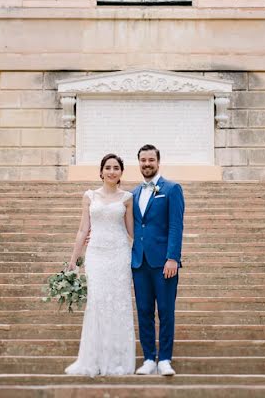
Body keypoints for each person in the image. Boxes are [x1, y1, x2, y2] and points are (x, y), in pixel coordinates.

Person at [64, 153, 136, 376]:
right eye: (108, 167)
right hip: (96, 255)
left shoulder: (127, 198)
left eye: (116, 168)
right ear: (102, 171)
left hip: (119, 254)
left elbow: (132, 231)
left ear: (121, 172)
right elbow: (83, 229)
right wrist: (74, 260)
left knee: (118, 303)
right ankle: (93, 358)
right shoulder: (89, 196)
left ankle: (117, 359)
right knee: (97, 303)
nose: (112, 171)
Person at [130, 144, 185, 376]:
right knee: (143, 311)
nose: (147, 164)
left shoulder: (172, 189)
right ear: (139, 162)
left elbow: (175, 225)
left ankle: (165, 359)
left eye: (151, 160)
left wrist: (172, 257)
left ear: (158, 161)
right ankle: (149, 359)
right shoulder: (133, 193)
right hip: (139, 262)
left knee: (165, 311)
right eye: (143, 160)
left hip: (164, 263)